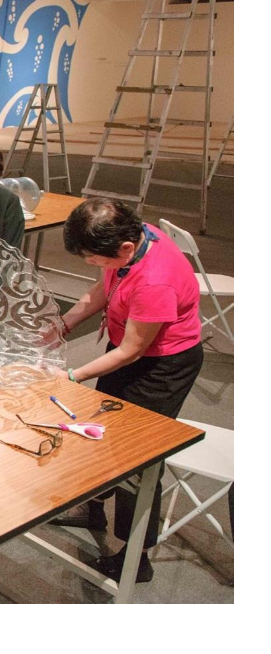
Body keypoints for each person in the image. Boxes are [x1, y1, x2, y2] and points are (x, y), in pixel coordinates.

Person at [52, 198, 204, 584]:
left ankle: (136, 557)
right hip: (127, 349)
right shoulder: (135, 237)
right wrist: (63, 325)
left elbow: (132, 351)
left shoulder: (156, 280)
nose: (91, 264)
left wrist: (71, 376)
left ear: (124, 248)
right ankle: (92, 508)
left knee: (137, 458)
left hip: (161, 367)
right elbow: (106, 284)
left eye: (93, 258)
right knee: (100, 433)